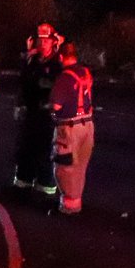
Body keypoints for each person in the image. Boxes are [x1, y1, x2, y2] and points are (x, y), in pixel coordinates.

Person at [13, 23, 64, 194]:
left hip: (47, 114)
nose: (42, 44)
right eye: (40, 41)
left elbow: (58, 86)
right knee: (25, 148)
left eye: (46, 41)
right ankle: (23, 183)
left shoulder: (58, 62)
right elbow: (23, 83)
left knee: (45, 151)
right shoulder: (32, 59)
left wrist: (42, 83)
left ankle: (45, 188)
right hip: (31, 111)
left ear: (53, 42)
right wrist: (19, 105)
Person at [49, 41, 94, 215]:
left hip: (69, 128)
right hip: (87, 124)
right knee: (80, 167)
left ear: (61, 57)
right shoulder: (85, 72)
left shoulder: (64, 78)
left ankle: (69, 207)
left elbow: (56, 105)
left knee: (66, 168)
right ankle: (76, 202)